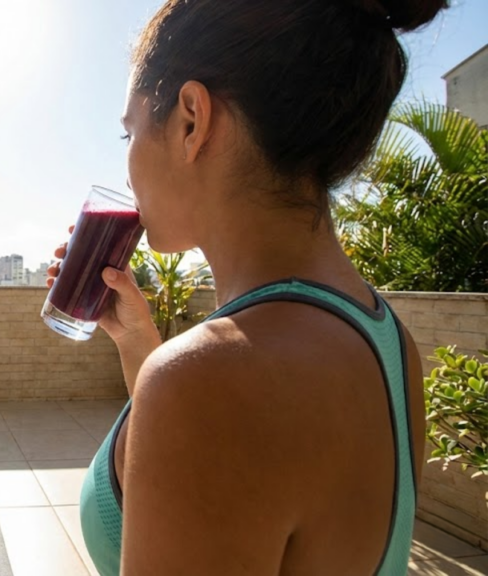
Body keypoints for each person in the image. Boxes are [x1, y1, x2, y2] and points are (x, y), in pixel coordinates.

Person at [47, 0, 446, 573]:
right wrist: (140, 347)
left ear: (190, 120)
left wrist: (176, 375)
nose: (127, 164)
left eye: (128, 132)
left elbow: (224, 423)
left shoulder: (211, 383)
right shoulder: (389, 342)